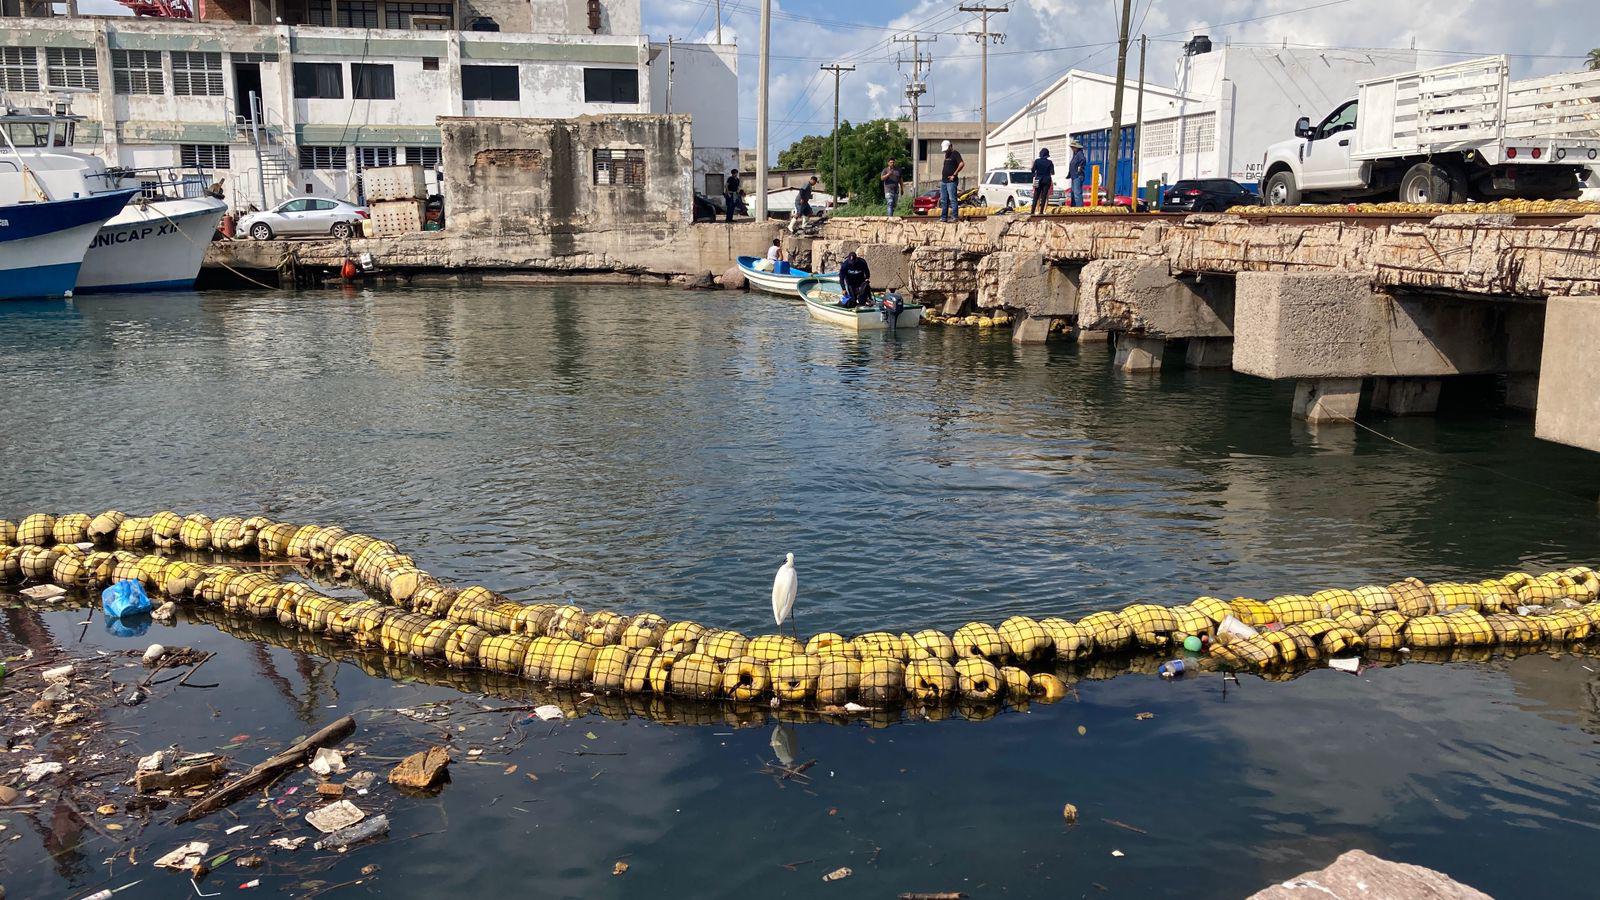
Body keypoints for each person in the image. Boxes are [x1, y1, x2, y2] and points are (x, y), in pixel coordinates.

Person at [937, 140, 964, 222]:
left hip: (951, 182)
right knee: (944, 200)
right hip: (944, 181)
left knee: (952, 199)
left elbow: (961, 164)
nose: (945, 151)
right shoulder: (946, 155)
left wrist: (954, 175)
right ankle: (943, 217)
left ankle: (954, 217)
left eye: (946, 149)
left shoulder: (955, 153)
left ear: (950, 146)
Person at [1028, 148, 1055, 216]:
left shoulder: (1037, 161)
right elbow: (1052, 172)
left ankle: (1032, 211)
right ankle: (1041, 212)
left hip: (1038, 179)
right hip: (1046, 180)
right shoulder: (1050, 162)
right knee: (1044, 196)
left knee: (1036, 196)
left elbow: (1033, 170)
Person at [1068, 139, 1087, 207]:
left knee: (1077, 193)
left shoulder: (1079, 154)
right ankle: (1073, 207)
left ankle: (1079, 208)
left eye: (1073, 147)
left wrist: (1080, 166)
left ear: (1076, 147)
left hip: (1077, 176)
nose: (1072, 148)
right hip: (1074, 176)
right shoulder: (1075, 155)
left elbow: (1083, 160)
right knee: (1073, 193)